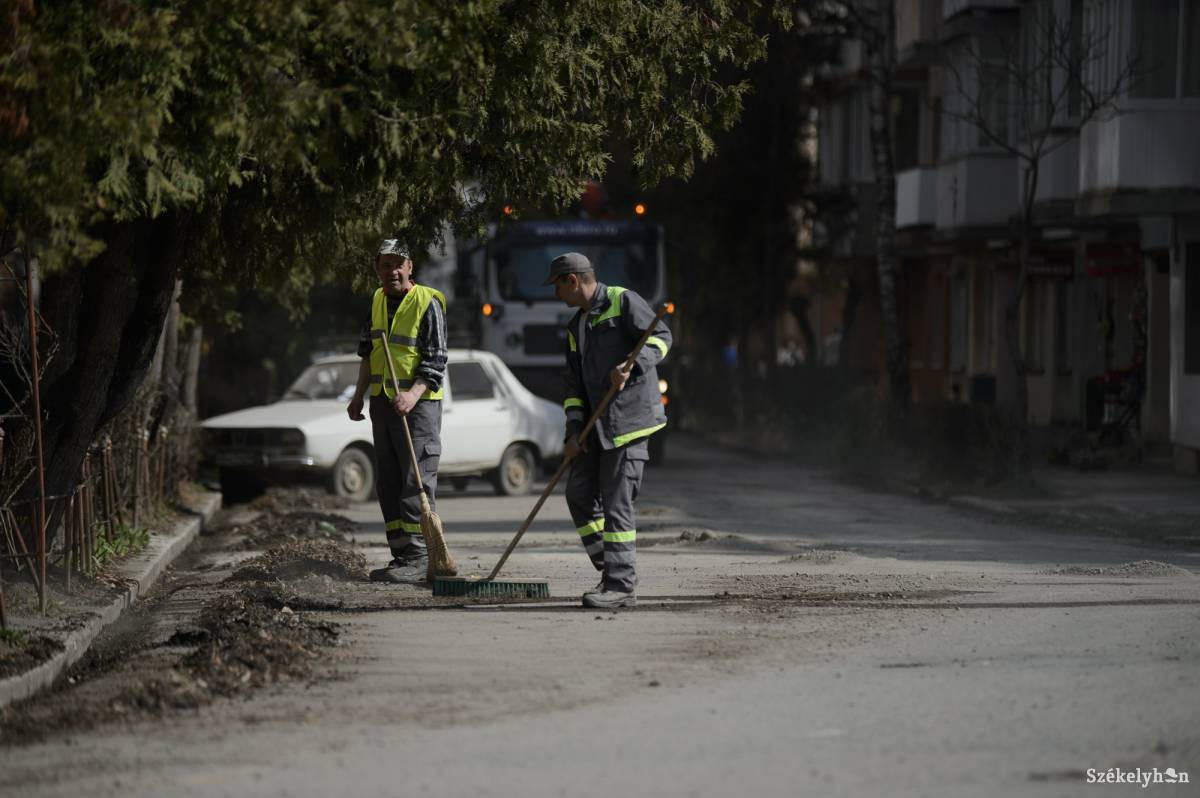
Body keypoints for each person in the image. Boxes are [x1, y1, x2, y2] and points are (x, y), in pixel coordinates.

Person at [547, 252, 671, 609]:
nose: (556, 295)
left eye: (558, 286)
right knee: (579, 494)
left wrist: (632, 366)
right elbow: (573, 387)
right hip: (593, 428)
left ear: (573, 280)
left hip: (628, 423)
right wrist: (572, 433)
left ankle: (619, 586)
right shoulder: (576, 327)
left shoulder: (623, 300)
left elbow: (661, 338)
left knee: (617, 504)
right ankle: (612, 566)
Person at [347, 239, 448, 583]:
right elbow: (367, 355)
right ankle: (402, 554)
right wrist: (358, 396)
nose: (392, 271)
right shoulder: (376, 300)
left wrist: (412, 395)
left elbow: (436, 361)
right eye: (385, 265)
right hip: (382, 404)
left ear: (410, 267)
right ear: (378, 268)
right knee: (388, 482)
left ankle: (421, 556)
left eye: (398, 264)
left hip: (417, 408)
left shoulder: (427, 302)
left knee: (414, 480)